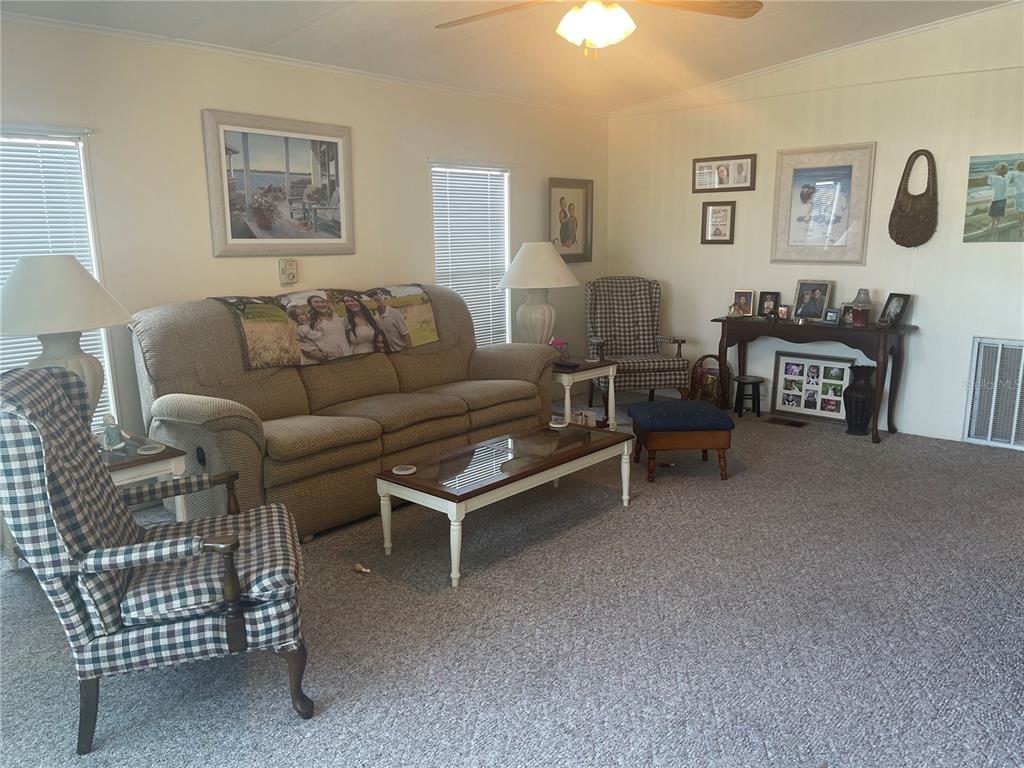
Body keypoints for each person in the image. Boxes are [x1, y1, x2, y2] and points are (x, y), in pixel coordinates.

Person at [306, 292, 352, 360]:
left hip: (348, 354)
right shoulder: (311, 322)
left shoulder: (336, 317)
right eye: (316, 302)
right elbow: (304, 341)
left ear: (327, 303)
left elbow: (347, 334)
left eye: (322, 302)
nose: (320, 304)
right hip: (330, 359)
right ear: (311, 305)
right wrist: (313, 352)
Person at [986, 162, 1010, 231]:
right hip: (1003, 199)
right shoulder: (1007, 178)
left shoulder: (995, 178)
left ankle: (992, 226)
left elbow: (988, 178)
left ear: (997, 171)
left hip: (996, 199)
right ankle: (997, 225)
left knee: (993, 214)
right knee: (999, 213)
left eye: (996, 171)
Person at [1008, 159, 1024, 237]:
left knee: (1021, 212)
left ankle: (1020, 229)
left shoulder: (1013, 173)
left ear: (1016, 166)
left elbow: (1006, 179)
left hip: (1019, 194)